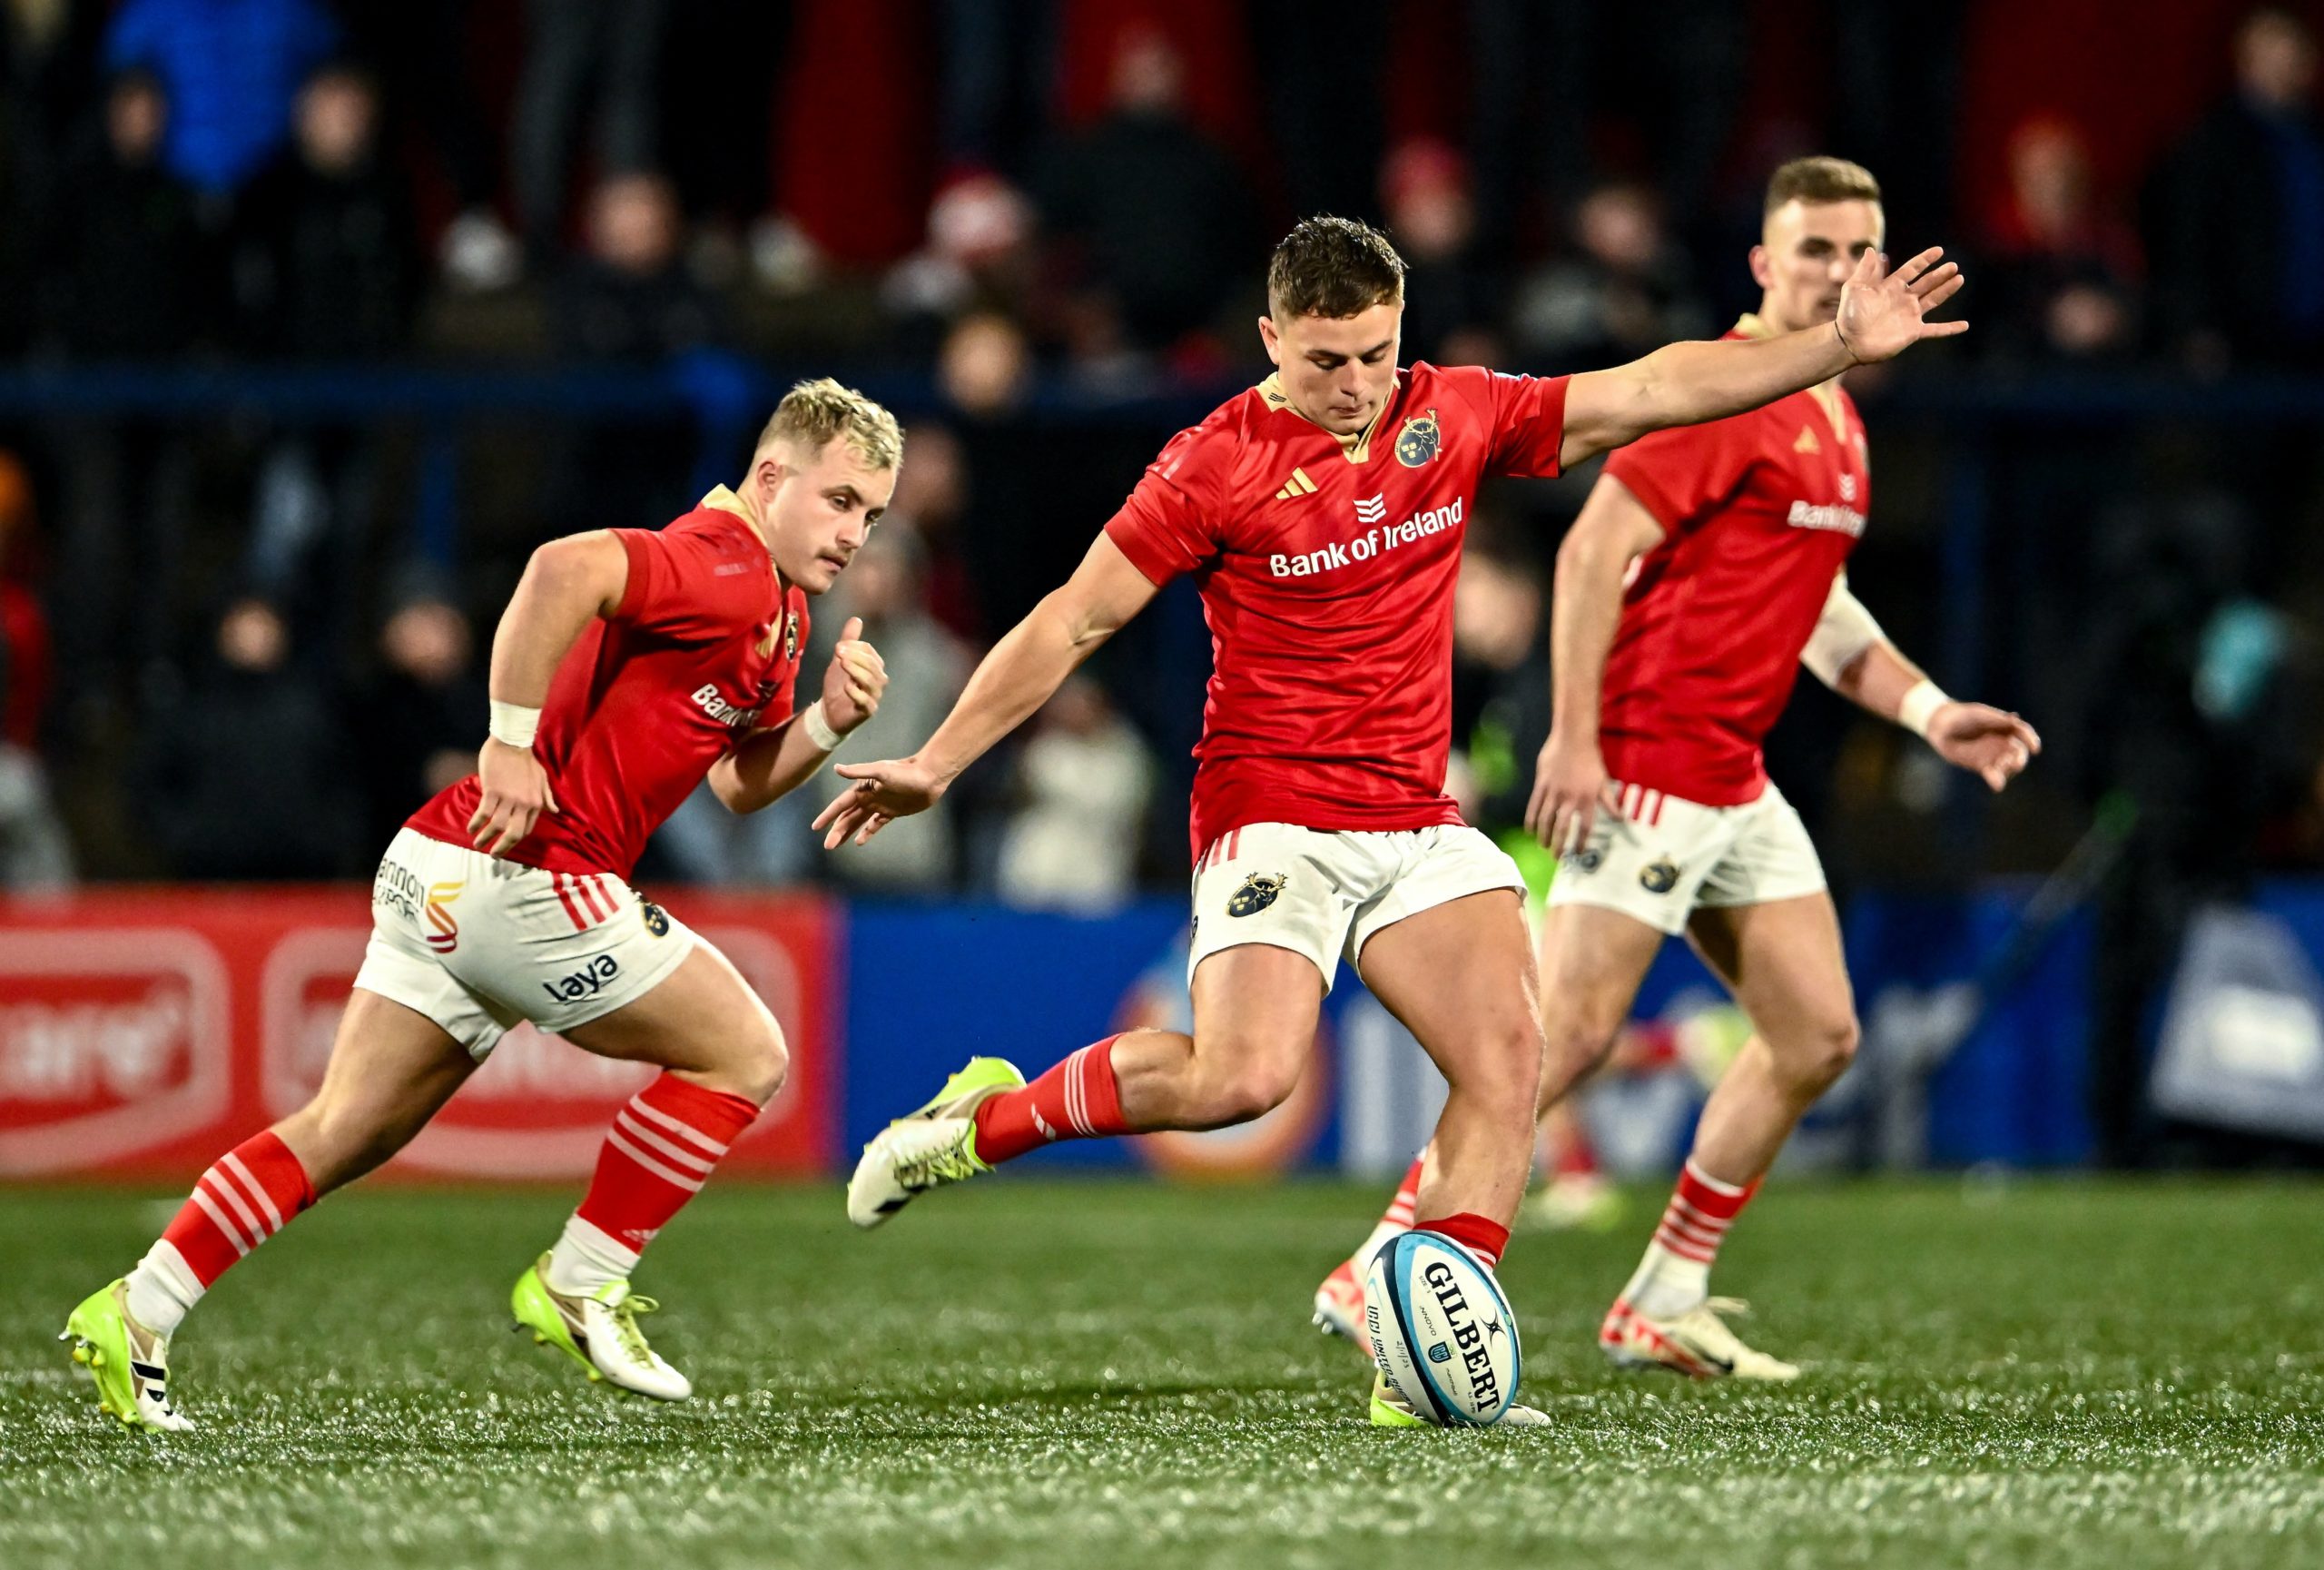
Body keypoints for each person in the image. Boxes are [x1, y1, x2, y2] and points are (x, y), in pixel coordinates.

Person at [816, 211, 1967, 1426]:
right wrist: (941, 762)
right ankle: (976, 1122)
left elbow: (1657, 385)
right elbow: (1072, 621)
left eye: (1375, 353)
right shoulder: (1215, 460)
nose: (1357, 385)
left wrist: (1833, 346)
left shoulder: (1451, 411)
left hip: (1416, 814)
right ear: (1270, 338)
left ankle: (1422, 1361)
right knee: (1238, 1079)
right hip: (1275, 811)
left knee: (1511, 1058)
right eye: (1325, 361)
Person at [1312, 158, 2039, 1383]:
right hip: (1648, 762)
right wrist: (1576, 736)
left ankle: (1664, 1292)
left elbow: (1821, 609)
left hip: (1736, 776)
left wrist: (1929, 711)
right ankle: (1380, 1254)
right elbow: (1595, 546)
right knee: (1571, 1037)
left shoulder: (1836, 416)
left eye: (1860, 250)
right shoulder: (1729, 393)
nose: (1840, 271)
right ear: (1762, 263)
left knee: (1816, 1032)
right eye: (1814, 248)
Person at [61, 380, 902, 1431]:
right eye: (839, 502)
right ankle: (580, 1281)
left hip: (446, 861)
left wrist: (824, 721)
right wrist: (507, 736)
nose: (854, 533)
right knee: (747, 1052)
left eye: (871, 514)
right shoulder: (721, 562)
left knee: (344, 1130)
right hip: (533, 871)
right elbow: (560, 568)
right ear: (771, 477)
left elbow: (733, 783)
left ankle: (136, 1310)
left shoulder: (780, 611)